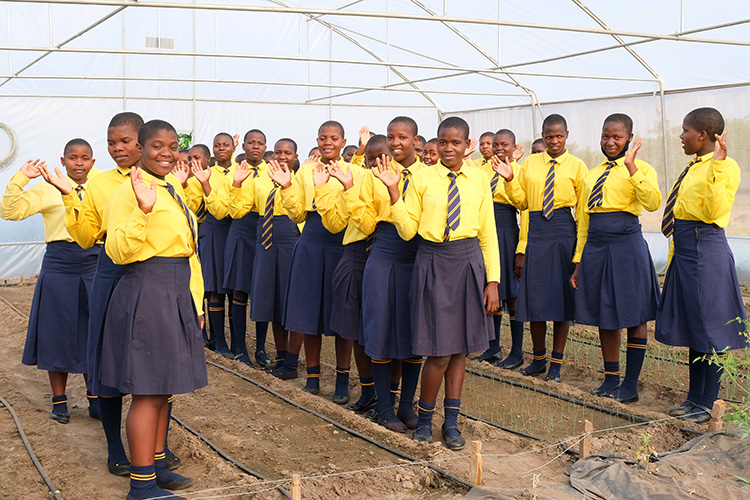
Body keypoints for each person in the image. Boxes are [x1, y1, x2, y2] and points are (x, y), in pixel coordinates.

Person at [42, 112, 185, 476]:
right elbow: (87, 235)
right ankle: (115, 449)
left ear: (141, 142)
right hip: (111, 272)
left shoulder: (166, 181)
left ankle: (158, 451)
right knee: (110, 363)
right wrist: (71, 198)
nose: (117, 148)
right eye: (111, 142)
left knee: (156, 367)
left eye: (124, 141)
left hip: (152, 273)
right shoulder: (99, 183)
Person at [376, 116, 499, 450]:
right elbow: (408, 230)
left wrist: (493, 281)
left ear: (467, 145)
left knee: (459, 351)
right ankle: (426, 421)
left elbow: (488, 232)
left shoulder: (479, 179)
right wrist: (392, 192)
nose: (448, 148)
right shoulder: (420, 178)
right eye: (443, 142)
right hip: (432, 261)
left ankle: (453, 424)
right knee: (439, 352)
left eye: (455, 143)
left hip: (468, 261)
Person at [102, 119, 206, 500]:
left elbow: (188, 249)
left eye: (171, 146)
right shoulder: (129, 192)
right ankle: (141, 485)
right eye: (156, 146)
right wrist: (143, 211)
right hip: (148, 288)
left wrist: (194, 300)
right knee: (148, 390)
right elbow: (117, 251)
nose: (165, 153)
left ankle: (157, 467)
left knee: (164, 387)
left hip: (175, 288)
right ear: (141, 149)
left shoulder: (170, 185)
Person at [656, 107, 747, 423]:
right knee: (694, 326)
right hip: (685, 251)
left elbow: (714, 210)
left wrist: (717, 169)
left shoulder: (725, 168)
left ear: (703, 135)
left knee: (711, 328)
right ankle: (694, 398)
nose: (681, 137)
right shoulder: (692, 167)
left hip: (705, 250)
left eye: (685, 131)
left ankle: (708, 402)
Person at [1, 141, 100, 423]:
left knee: (93, 332)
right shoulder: (48, 186)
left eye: (85, 158)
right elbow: (9, 212)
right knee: (57, 333)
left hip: (94, 265)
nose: (79, 163)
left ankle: (94, 397)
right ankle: (60, 400)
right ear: (63, 160)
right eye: (73, 157)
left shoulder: (102, 186)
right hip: (59, 265)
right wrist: (22, 177)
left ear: (92, 162)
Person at [268, 121, 364, 397]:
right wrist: (286, 187)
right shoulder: (306, 171)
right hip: (310, 239)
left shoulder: (356, 172)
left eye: (334, 138)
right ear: (317, 141)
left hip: (344, 243)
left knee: (342, 314)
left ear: (344, 143)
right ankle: (312, 378)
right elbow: (297, 214)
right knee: (310, 313)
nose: (328, 142)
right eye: (323, 138)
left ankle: (343, 383)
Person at [569, 114, 661, 403]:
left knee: (633, 314)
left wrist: (632, 165)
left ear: (630, 138)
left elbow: (653, 202)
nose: (610, 142)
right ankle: (611, 380)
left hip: (626, 246)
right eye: (605, 136)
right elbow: (582, 221)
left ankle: (630, 385)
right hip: (595, 247)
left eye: (617, 137)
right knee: (604, 314)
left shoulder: (641, 168)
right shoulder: (591, 175)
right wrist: (578, 262)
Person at [347, 117, 426, 432]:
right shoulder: (374, 174)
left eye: (403, 137)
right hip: (383, 252)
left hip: (418, 255)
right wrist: (353, 189)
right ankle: (383, 406)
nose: (395, 143)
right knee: (380, 327)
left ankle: (406, 405)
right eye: (391, 137)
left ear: (415, 140)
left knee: (412, 331)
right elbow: (365, 224)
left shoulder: (428, 175)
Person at [498, 114, 586, 383]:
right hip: (536, 230)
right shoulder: (529, 164)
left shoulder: (577, 166)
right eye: (549, 136)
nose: (554, 141)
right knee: (534, 298)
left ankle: (556, 364)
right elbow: (522, 203)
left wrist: (579, 254)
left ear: (567, 135)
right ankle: (538, 359)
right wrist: (511, 178)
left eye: (559, 136)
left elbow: (582, 212)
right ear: (543, 136)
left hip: (562, 230)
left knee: (561, 301)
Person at [229, 138, 300, 372]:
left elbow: (301, 212)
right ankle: (281, 360)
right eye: (278, 152)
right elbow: (237, 210)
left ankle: (291, 361)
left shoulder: (300, 181)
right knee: (272, 301)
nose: (282, 156)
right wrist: (237, 185)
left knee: (292, 302)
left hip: (290, 240)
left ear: (295, 157)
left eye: (287, 153)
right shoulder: (257, 181)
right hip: (265, 242)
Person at [203, 129, 271, 367]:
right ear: (242, 146)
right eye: (251, 143)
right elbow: (222, 211)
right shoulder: (230, 173)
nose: (255, 147)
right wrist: (235, 185)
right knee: (239, 291)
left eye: (260, 143)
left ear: (265, 146)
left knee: (262, 291)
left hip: (264, 229)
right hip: (240, 229)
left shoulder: (272, 171)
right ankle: (239, 348)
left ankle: (261, 348)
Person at [473, 129, 524, 369]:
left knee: (511, 291)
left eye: (505, 145)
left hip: (505, 227)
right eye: (496, 145)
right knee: (489, 286)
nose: (499, 149)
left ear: (514, 147)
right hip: (484, 226)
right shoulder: (481, 170)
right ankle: (492, 346)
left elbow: (523, 204)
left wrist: (521, 248)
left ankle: (516, 351)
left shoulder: (520, 171)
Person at [191, 133, 236, 358]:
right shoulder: (203, 174)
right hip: (213, 228)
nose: (221, 149)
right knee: (216, 286)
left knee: (234, 288)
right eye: (217, 145)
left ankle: (238, 343)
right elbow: (194, 203)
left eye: (225, 145)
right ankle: (219, 341)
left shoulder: (242, 169)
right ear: (212, 153)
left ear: (233, 147)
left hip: (236, 229)